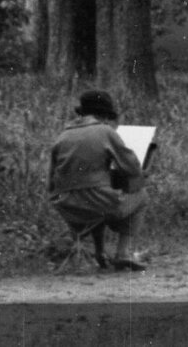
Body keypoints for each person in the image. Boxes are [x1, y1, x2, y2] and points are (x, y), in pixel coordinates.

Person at [48, 85, 150, 269]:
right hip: (96, 201)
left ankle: (100, 252)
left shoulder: (62, 136)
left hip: (66, 205)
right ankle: (122, 253)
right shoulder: (105, 132)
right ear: (104, 114)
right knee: (141, 196)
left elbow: (51, 180)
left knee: (97, 197)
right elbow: (133, 168)